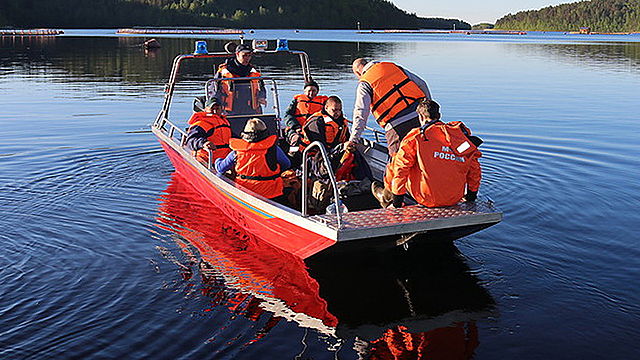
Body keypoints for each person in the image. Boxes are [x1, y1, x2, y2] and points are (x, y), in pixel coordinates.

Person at [372, 99, 482, 208]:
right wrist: (471, 197)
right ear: (439, 115)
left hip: (425, 198)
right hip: (455, 197)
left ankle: (387, 198)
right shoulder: (460, 138)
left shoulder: (415, 138)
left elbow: (401, 170)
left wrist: (397, 203)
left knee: (396, 160)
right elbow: (474, 169)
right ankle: (389, 196)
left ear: (421, 117)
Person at [347, 58, 432, 156]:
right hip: (419, 117)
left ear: (358, 73)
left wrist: (354, 139)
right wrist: (428, 110)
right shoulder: (393, 67)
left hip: (396, 126)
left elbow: (361, 111)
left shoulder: (364, 83)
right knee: (424, 154)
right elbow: (422, 84)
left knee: (396, 164)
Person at [215, 118, 291, 204]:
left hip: (245, 194)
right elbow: (287, 164)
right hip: (273, 194)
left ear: (245, 133)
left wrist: (218, 160)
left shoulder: (237, 151)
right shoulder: (273, 149)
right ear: (265, 131)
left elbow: (220, 168)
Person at [211, 44, 267, 115]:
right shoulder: (223, 72)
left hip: (250, 109)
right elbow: (214, 90)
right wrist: (215, 104)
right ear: (237, 54)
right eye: (244, 55)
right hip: (229, 111)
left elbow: (262, 88)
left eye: (249, 56)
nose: (247, 58)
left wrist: (262, 97)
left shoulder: (254, 72)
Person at [184, 97, 231, 164]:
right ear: (205, 110)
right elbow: (190, 141)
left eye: (217, 109)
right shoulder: (201, 124)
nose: (215, 111)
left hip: (224, 160)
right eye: (212, 109)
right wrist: (204, 143)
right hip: (207, 160)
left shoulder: (224, 123)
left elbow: (232, 137)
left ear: (221, 109)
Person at [283, 79, 328, 146]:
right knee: (296, 139)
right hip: (295, 129)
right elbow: (287, 115)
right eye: (309, 91)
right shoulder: (296, 101)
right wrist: (296, 126)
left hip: (313, 130)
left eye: (314, 91)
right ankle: (292, 153)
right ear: (305, 91)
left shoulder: (323, 102)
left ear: (317, 91)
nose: (311, 93)